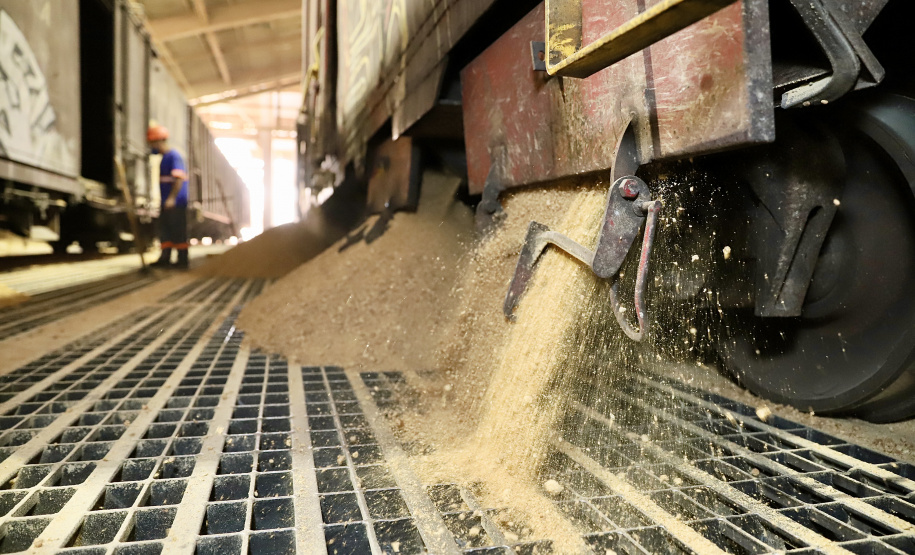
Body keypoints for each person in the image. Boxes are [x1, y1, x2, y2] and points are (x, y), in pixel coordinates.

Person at [147, 124, 189, 269]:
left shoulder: (173, 156)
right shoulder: (165, 157)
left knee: (177, 231)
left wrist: (172, 198)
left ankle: (182, 260)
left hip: (176, 203)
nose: (152, 147)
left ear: (159, 142)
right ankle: (165, 258)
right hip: (167, 202)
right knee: (165, 231)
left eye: (152, 143)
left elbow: (178, 179)